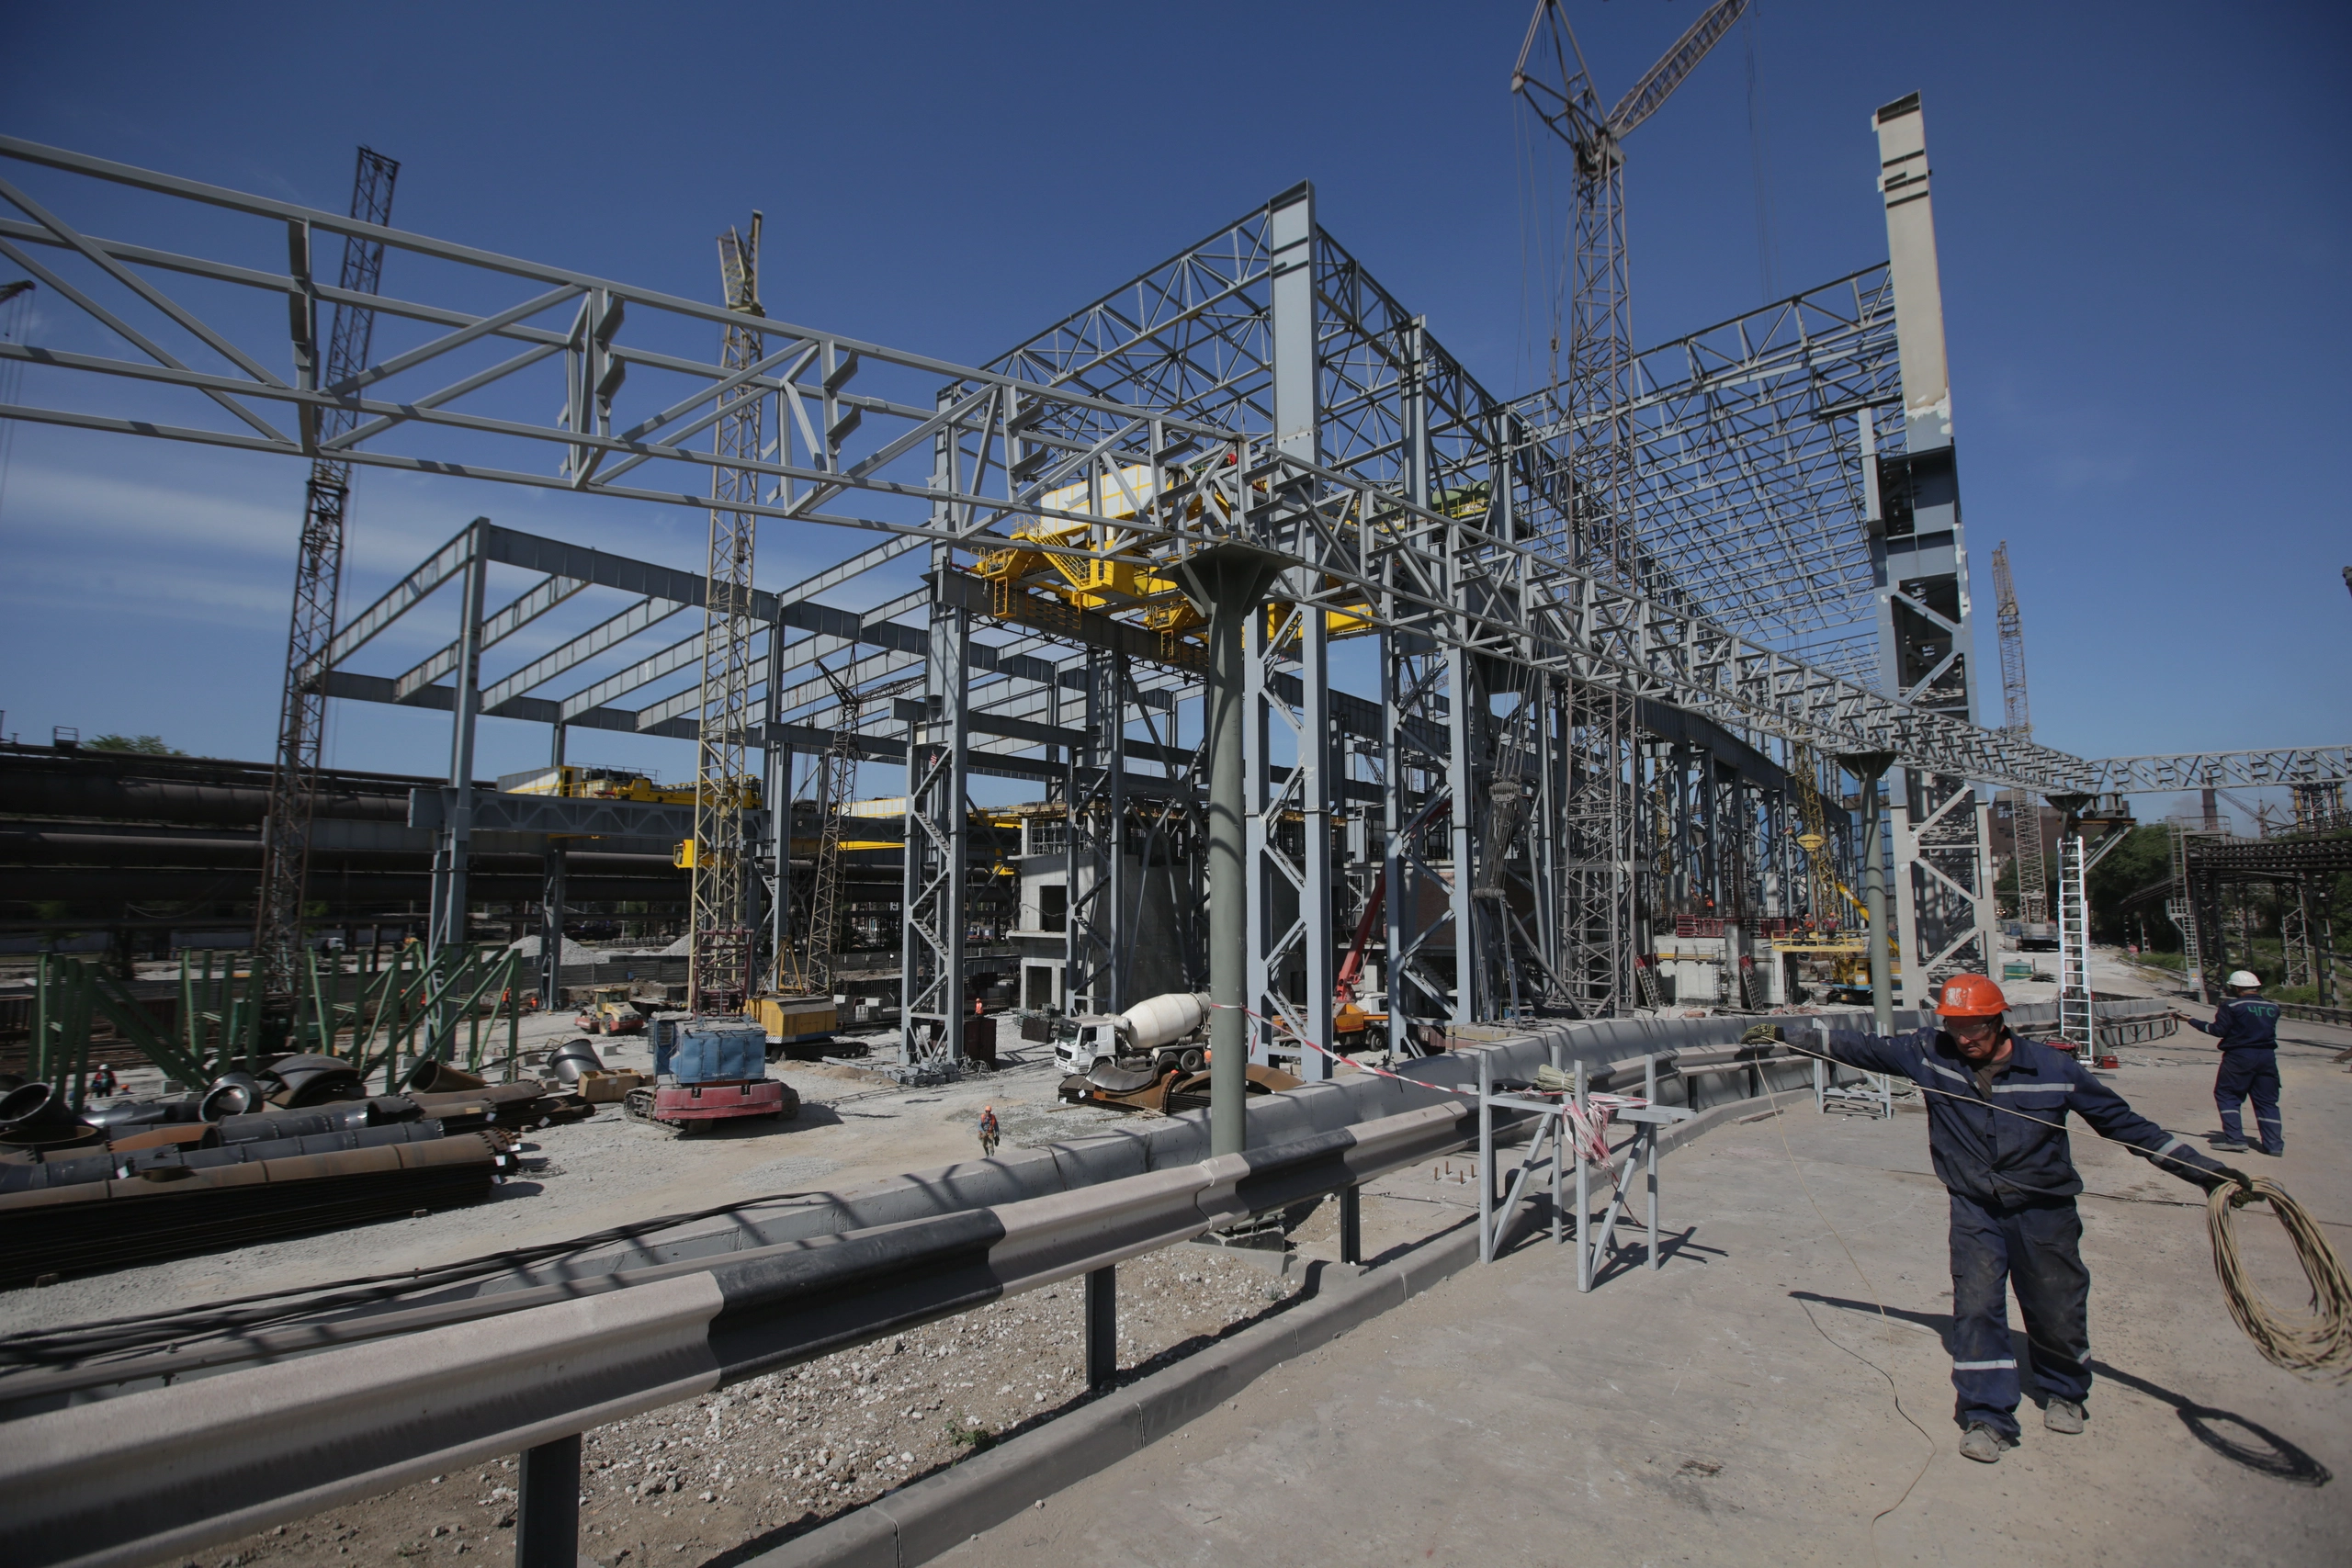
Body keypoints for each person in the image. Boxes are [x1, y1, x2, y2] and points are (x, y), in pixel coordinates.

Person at [1783, 973, 2248, 1465]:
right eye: (1955, 1027)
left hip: (2044, 1209)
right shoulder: (1927, 1055)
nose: (1965, 1039)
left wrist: (2208, 1174)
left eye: (1976, 1027)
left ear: (1999, 1020)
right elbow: (1858, 1047)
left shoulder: (2053, 1068)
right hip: (1974, 1207)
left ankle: (2064, 1390)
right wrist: (1783, 1034)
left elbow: (2127, 1126)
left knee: (2055, 1302)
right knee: (1977, 1304)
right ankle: (1987, 1415)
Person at [2169, 970, 2283, 1156]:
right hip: (2267, 1057)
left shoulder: (2231, 1006)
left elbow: (2217, 1030)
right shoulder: (2273, 1007)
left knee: (2228, 1094)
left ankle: (2235, 1139)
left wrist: (2192, 1021)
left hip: (2239, 1056)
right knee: (2267, 1102)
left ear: (2236, 987)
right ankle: (2274, 1146)